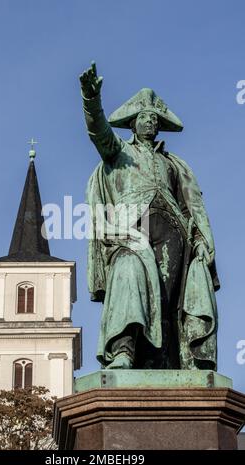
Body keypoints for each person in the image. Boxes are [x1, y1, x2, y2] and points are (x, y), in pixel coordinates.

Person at [80, 62, 219, 370]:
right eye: (144, 118)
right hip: (131, 229)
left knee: (168, 304)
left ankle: (170, 362)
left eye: (154, 119)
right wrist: (91, 101)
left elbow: (191, 208)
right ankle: (123, 352)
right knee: (128, 275)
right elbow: (98, 132)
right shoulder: (119, 153)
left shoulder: (174, 164)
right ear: (133, 124)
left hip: (174, 233)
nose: (150, 123)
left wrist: (199, 241)